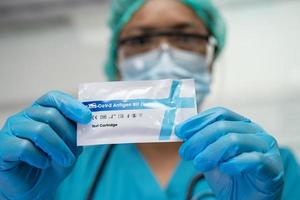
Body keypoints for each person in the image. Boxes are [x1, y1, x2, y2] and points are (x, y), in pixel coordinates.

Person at [0, 0, 299, 199]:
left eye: (185, 38)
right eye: (141, 40)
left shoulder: (267, 167)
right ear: (116, 65)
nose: (164, 53)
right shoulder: (56, 164)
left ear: (210, 59)